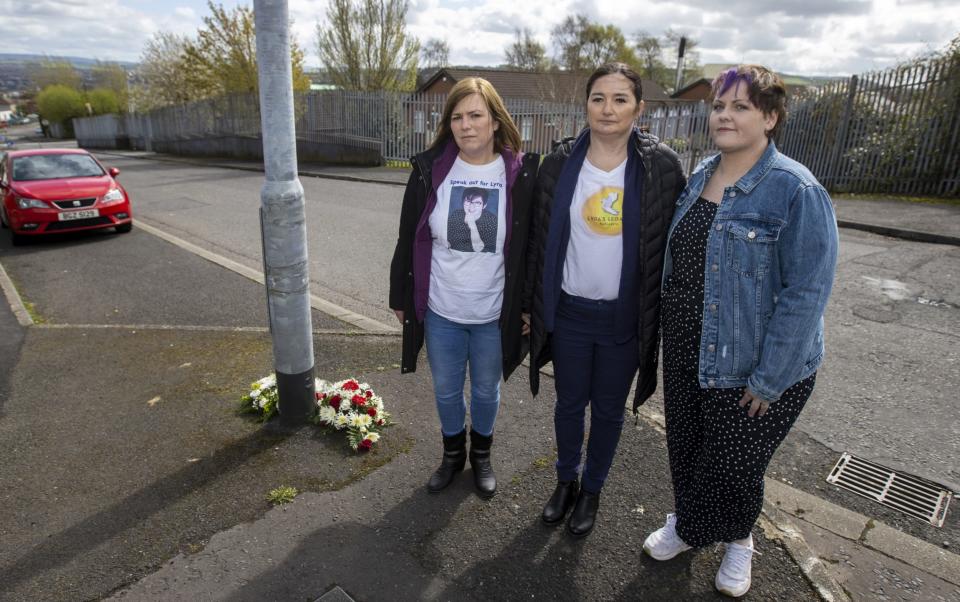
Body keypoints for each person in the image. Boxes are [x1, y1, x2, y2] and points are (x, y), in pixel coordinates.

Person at [642, 65, 839, 598]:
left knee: (732, 465)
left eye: (741, 107)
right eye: (718, 106)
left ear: (770, 117)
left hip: (754, 363)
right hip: (687, 349)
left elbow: (807, 292)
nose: (724, 116)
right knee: (687, 449)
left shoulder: (796, 190)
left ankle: (737, 540)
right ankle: (689, 526)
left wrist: (769, 378)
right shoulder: (704, 171)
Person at [525, 63, 686, 538]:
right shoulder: (559, 163)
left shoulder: (660, 167)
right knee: (569, 404)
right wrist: (530, 307)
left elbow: (672, 246)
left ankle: (592, 489)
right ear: (586, 106)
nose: (608, 108)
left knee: (610, 410)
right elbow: (539, 243)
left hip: (624, 317)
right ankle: (565, 481)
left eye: (620, 99)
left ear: (639, 107)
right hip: (570, 312)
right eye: (598, 98)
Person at [389, 77, 538, 498]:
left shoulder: (521, 173)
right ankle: (452, 457)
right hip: (442, 311)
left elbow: (530, 249)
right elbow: (408, 236)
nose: (466, 125)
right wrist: (400, 295)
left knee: (488, 390)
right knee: (445, 389)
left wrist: (527, 306)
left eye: (475, 115)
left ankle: (481, 457)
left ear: (495, 121)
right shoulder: (428, 170)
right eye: (457, 117)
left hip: (493, 315)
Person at [448, 186, 497, 253]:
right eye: (468, 201)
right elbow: (447, 240)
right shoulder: (456, 215)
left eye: (477, 203)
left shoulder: (491, 221)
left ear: (484, 205)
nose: (471, 206)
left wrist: (472, 224)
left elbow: (479, 250)